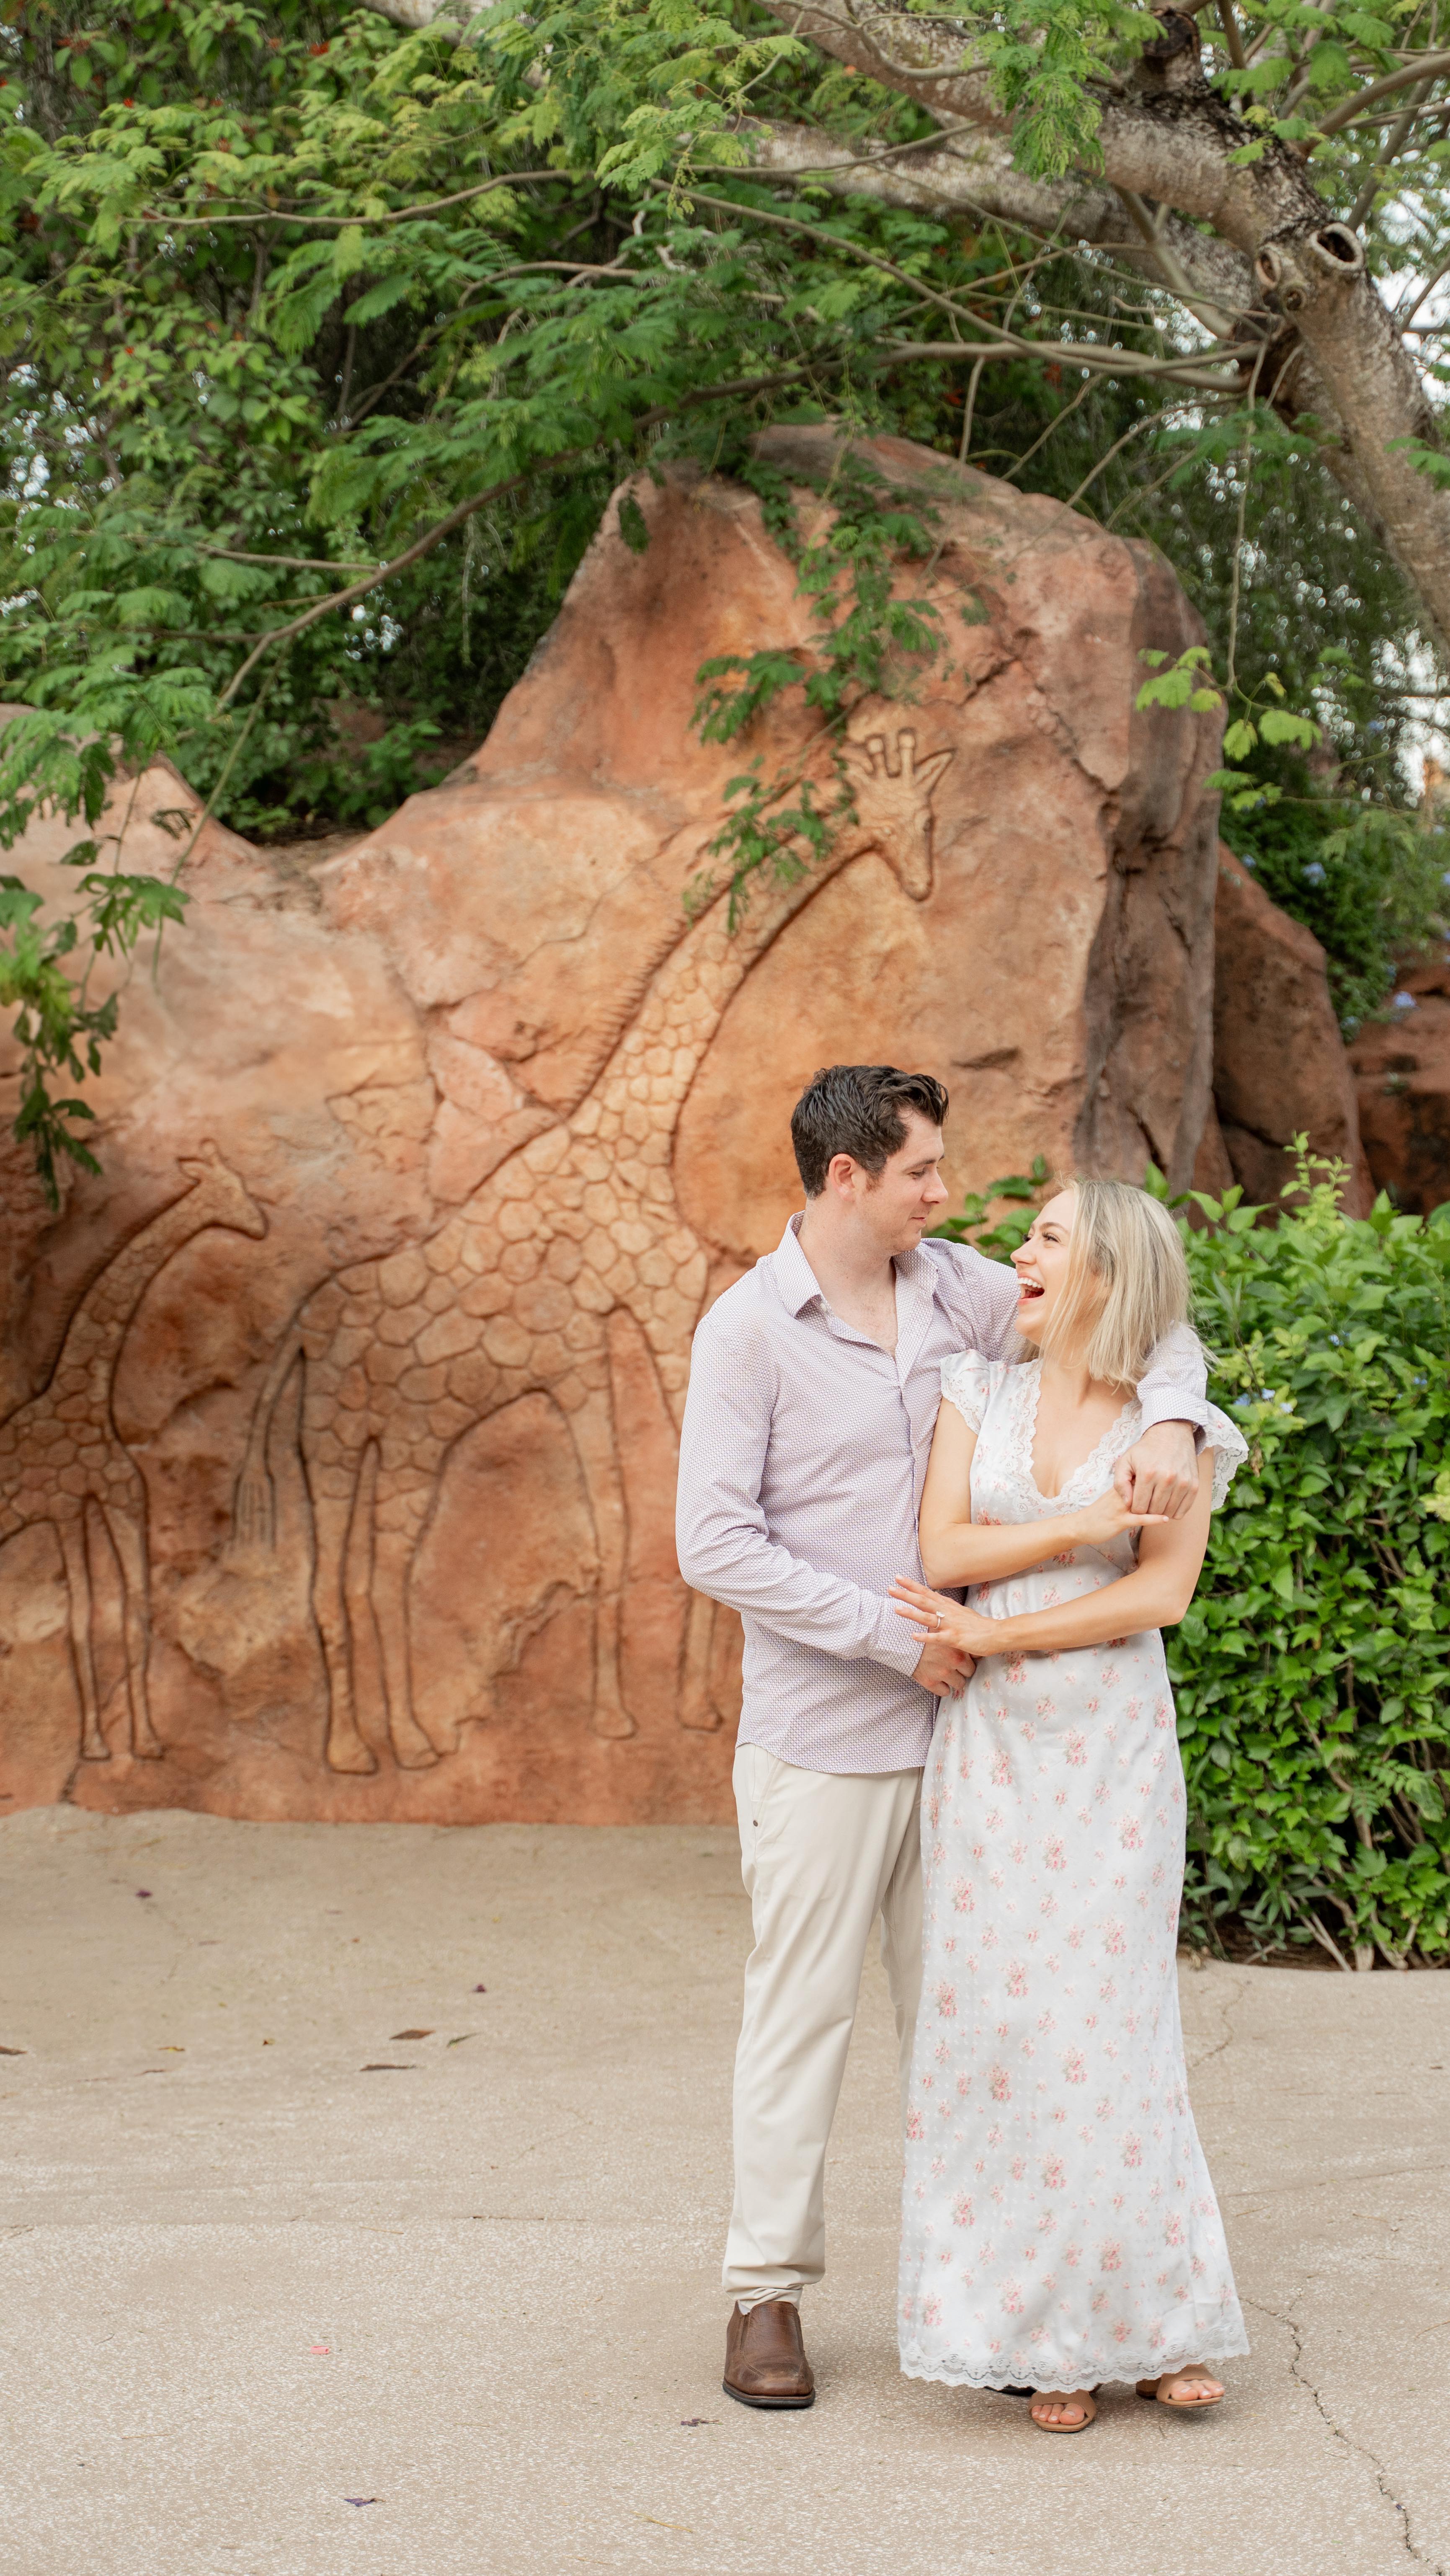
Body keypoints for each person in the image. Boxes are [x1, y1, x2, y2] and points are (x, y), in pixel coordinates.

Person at [675, 1066, 1211, 2412]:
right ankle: (766, 2295)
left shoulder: (960, 1288)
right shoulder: (748, 1332)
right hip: (827, 1734)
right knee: (801, 2017)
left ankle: (1012, 2308)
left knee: (989, 2038)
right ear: (848, 1176)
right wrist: (888, 1634)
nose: (946, 1194)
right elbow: (714, 1543)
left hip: (991, 1744)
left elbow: (1143, 1320)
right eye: (922, 1171)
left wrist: (1174, 1416)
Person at [890, 1177, 1249, 2433]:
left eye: (1047, 1239)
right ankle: (1047, 2334)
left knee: (1117, 2028)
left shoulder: (1177, 1430)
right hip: (991, 1757)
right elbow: (941, 1554)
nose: (1017, 1254)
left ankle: (1160, 2328)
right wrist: (1086, 1523)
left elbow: (1160, 1599)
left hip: (1109, 1751)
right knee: (1011, 2032)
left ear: (1105, 1275)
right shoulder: (972, 1392)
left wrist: (1001, 1635)